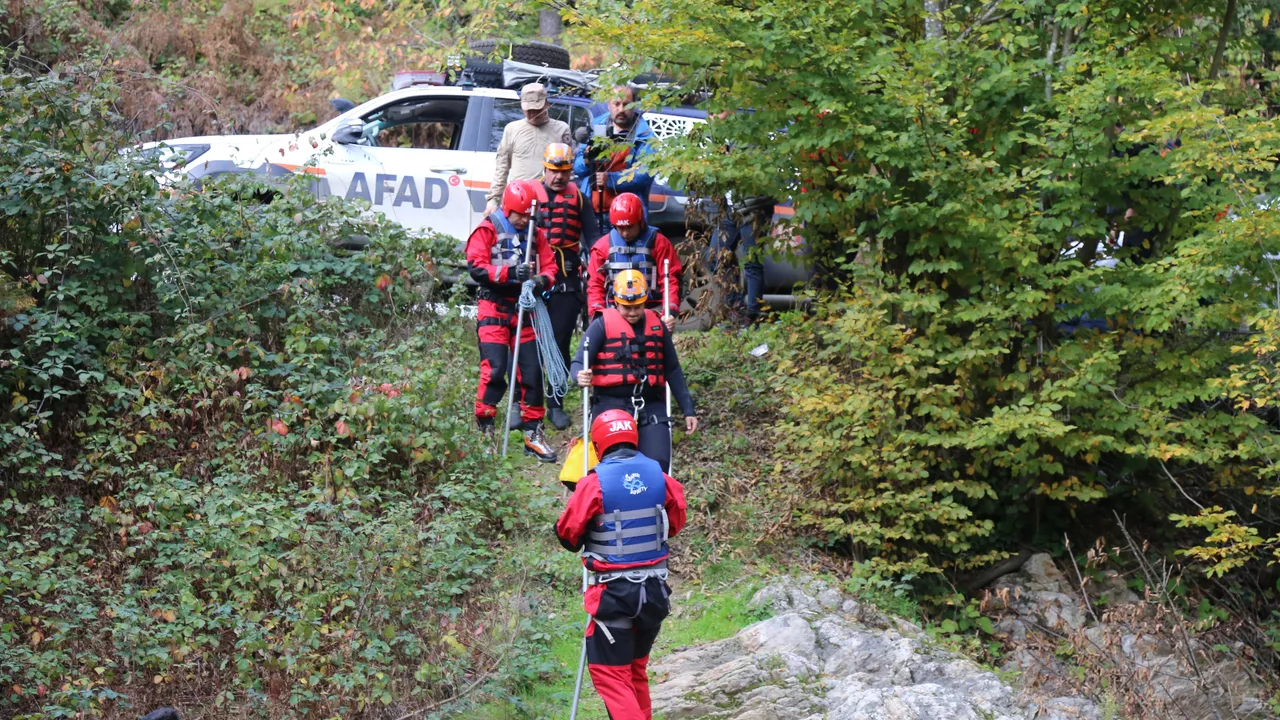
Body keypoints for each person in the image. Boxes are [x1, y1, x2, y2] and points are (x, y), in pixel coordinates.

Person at [555, 409, 687, 720]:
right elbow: (675, 522)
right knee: (635, 671)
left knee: (611, 676)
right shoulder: (660, 476)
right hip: (654, 593)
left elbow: (568, 535)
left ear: (597, 445)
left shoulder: (593, 483)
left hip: (615, 595)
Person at [465, 179, 559, 461]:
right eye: (520, 215)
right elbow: (475, 267)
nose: (524, 221)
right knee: (494, 370)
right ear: (508, 209)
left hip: (524, 309)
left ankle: (533, 435)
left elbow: (551, 267)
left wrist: (539, 281)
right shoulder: (488, 229)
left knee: (532, 373)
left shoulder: (536, 234)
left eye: (528, 216)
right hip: (493, 306)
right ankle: (485, 430)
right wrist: (509, 273)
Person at [571, 270, 697, 473]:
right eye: (627, 307)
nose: (632, 312)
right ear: (616, 302)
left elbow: (673, 369)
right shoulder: (600, 325)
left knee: (658, 465)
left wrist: (688, 410)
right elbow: (578, 362)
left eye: (637, 307)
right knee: (616, 466)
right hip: (610, 404)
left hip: (650, 404)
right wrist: (579, 375)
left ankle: (654, 493)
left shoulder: (658, 326)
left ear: (645, 301)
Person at [532, 142, 593, 430]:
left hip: (566, 277)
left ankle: (555, 403)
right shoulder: (529, 194)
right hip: (534, 276)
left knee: (559, 342)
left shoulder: (580, 199)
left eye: (565, 171)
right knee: (529, 343)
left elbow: (594, 239)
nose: (558, 177)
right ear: (544, 168)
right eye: (553, 171)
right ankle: (525, 403)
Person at [586, 193, 681, 330]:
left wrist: (669, 312)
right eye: (621, 228)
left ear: (640, 222)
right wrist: (597, 315)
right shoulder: (601, 247)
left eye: (630, 227)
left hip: (652, 311)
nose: (625, 233)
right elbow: (595, 284)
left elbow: (671, 279)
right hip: (616, 311)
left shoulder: (659, 243)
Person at [574, 85, 655, 237]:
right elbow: (577, 168)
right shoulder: (597, 127)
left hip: (626, 217)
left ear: (634, 105)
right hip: (592, 212)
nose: (621, 109)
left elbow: (646, 174)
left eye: (626, 104)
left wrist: (611, 179)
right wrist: (586, 160)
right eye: (616, 104)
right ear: (608, 104)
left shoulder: (644, 135)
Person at [485, 83, 573, 215]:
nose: (532, 114)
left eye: (537, 110)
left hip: (549, 203)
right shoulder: (512, 129)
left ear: (546, 104)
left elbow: (568, 170)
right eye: (528, 110)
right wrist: (493, 200)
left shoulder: (561, 129)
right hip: (516, 199)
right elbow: (502, 168)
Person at [710, 193, 772, 324]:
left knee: (752, 262)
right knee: (716, 257)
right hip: (731, 209)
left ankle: (752, 318)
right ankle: (735, 313)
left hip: (754, 207)